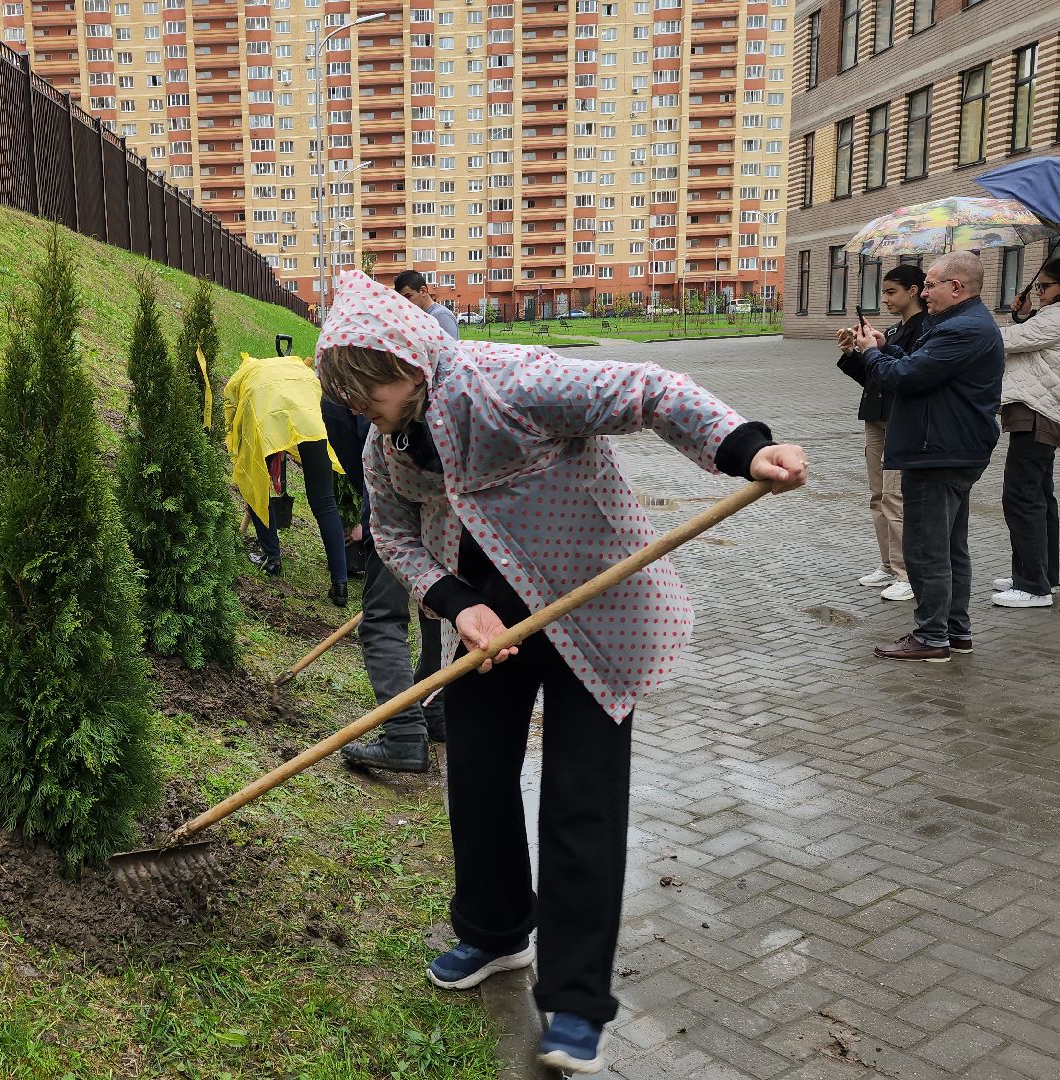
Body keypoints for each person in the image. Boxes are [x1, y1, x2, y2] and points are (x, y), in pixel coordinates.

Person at [316, 269, 809, 1073]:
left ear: (408, 359)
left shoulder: (507, 380)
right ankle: (495, 931)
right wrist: (456, 602)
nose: (364, 411)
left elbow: (648, 388)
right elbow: (393, 534)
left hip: (593, 607)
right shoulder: (387, 447)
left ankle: (576, 1001)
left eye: (369, 391)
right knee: (475, 778)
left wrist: (746, 448)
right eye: (354, 401)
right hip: (487, 630)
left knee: (582, 799)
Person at [847, 250, 1004, 663]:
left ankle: (933, 638)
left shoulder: (963, 329)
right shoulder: (959, 324)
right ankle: (954, 632)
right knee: (950, 546)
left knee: (927, 549)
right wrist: (884, 347)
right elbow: (921, 367)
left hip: (940, 451)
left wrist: (871, 354)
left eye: (931, 284)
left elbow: (906, 379)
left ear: (956, 287)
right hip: (948, 447)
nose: (925, 291)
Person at [322, 393, 445, 772]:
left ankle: (405, 734)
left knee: (383, 618)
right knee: (440, 605)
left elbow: (354, 456)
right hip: (447, 514)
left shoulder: (342, 381)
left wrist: (376, 503)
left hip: (392, 513)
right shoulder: (442, 347)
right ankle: (435, 707)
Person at [991, 256, 1060, 609]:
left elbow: (1008, 340)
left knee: (1020, 496)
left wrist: (968, 324)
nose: (1037, 292)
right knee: (1039, 496)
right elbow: (1031, 336)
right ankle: (1041, 575)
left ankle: (1032, 586)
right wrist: (1022, 314)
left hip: (1039, 411)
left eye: (1043, 286)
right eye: (1036, 286)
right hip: (1042, 408)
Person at [222, 352, 351, 606]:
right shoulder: (298, 368)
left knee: (255, 483)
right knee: (325, 502)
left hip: (266, 416)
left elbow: (231, 412)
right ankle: (340, 584)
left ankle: (272, 560)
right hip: (311, 420)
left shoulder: (245, 377)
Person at [835, 264, 929, 603]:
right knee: (877, 496)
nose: (885, 298)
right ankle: (889, 565)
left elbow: (906, 374)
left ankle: (908, 574)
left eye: (891, 292)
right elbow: (876, 377)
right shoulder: (893, 328)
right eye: (884, 292)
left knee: (895, 497)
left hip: (900, 420)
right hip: (875, 417)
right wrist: (854, 353)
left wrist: (878, 349)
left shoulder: (925, 330)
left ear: (914, 290)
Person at [395, 270, 460, 340]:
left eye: (408, 296)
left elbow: (451, 349)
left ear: (423, 291)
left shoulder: (441, 315)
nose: (405, 302)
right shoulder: (418, 316)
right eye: (401, 298)